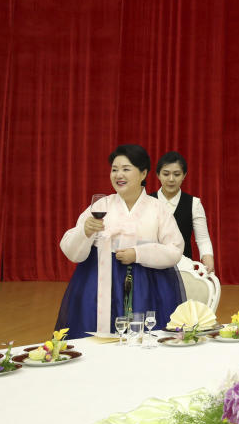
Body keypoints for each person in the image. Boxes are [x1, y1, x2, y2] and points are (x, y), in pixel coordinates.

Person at [56, 144, 185, 339]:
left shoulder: (158, 209)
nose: (118, 175)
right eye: (114, 170)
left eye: (126, 169)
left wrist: (139, 253)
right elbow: (70, 250)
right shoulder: (101, 205)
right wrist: (84, 232)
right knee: (95, 343)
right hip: (98, 284)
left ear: (143, 173)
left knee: (146, 342)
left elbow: (175, 249)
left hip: (147, 287)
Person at [148, 151, 215, 272]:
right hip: (151, 268)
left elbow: (203, 239)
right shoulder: (146, 202)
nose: (171, 179)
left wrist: (208, 259)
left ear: (184, 175)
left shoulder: (194, 204)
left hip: (183, 269)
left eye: (177, 174)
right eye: (166, 174)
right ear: (158, 175)